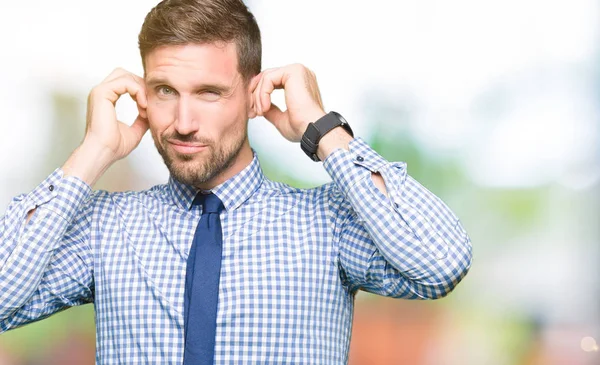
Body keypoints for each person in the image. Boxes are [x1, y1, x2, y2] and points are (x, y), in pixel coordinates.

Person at [0, 0, 472, 364]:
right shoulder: (106, 228)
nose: (183, 122)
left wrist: (323, 128)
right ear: (142, 94)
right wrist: (92, 152)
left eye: (209, 93)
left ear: (252, 98)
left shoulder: (327, 223)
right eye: (165, 91)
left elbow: (441, 263)